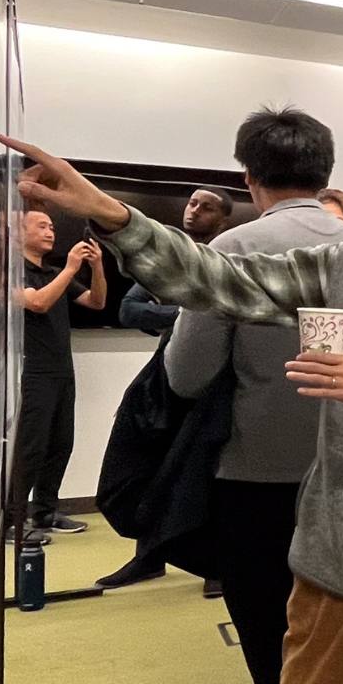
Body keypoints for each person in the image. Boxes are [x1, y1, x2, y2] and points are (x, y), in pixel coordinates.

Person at [0, 106, 343, 684]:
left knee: (280, 658)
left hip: (257, 481)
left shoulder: (235, 248)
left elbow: (187, 375)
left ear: (249, 178)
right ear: (325, 172)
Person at [99, 186, 234, 593]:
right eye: (192, 203)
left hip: (220, 382)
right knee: (154, 464)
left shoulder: (229, 259)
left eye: (205, 206)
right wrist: (190, 311)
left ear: (223, 219)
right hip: (167, 375)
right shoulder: (168, 259)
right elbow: (129, 309)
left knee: (212, 469)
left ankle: (217, 566)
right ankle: (149, 556)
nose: (194, 211)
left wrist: (194, 313)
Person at [13, 209, 106, 545]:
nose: (50, 231)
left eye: (52, 226)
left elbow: (96, 301)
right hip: (31, 370)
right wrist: (70, 268)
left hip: (62, 370)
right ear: (18, 232)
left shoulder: (54, 272)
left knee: (60, 444)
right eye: (41, 225)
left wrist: (96, 267)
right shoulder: (10, 273)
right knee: (31, 447)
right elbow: (37, 303)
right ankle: (14, 519)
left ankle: (45, 512)